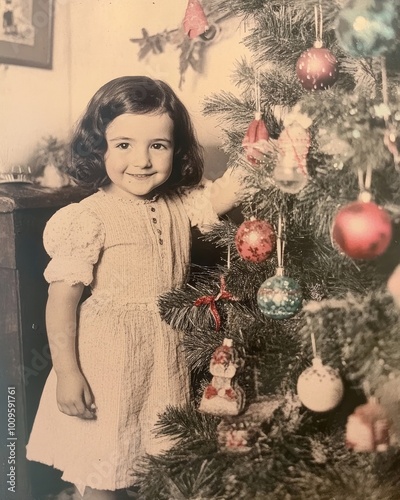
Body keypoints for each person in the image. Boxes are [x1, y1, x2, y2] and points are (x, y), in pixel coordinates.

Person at [26, 76, 246, 499]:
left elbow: (219, 197)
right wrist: (68, 373)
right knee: (104, 468)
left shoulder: (179, 202)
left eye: (157, 146)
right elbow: (62, 302)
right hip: (108, 362)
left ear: (175, 149)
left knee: (158, 463)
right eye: (124, 144)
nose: (142, 160)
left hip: (166, 357)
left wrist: (261, 158)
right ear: (99, 147)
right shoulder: (88, 216)